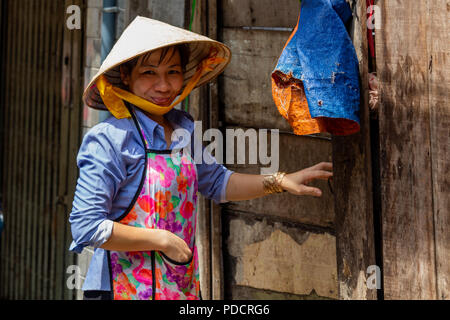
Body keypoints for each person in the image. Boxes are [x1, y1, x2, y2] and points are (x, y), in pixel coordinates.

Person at [69, 16, 333, 300]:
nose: (163, 85)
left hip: (179, 288)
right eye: (149, 73)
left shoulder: (182, 128)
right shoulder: (109, 139)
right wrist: (162, 240)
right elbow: (87, 226)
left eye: (172, 72)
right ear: (126, 77)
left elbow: (218, 182)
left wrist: (280, 180)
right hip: (121, 289)